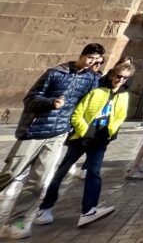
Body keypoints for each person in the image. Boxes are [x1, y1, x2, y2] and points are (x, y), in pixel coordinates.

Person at [0, 43, 104, 239]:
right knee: (11, 172)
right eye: (90, 58)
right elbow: (30, 98)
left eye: (96, 60)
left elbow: (89, 102)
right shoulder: (55, 73)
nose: (92, 63)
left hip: (58, 134)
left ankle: (15, 221)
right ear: (82, 55)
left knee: (37, 181)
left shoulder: (90, 79)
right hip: (35, 129)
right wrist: (51, 103)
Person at [35, 60, 134, 228]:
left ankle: (88, 210)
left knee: (94, 173)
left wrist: (109, 133)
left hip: (101, 139)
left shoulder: (124, 96)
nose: (121, 80)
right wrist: (84, 131)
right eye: (119, 76)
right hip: (82, 137)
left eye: (125, 78)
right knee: (62, 171)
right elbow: (78, 113)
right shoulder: (96, 91)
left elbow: (120, 116)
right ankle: (45, 208)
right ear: (112, 75)